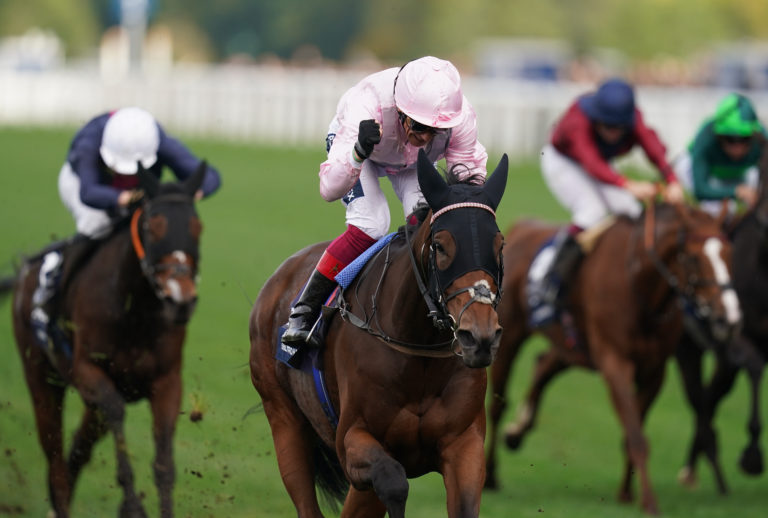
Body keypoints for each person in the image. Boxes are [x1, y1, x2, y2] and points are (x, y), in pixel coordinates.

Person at [281, 56, 489, 350]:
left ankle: (434, 309)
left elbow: (468, 175)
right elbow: (329, 189)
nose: (426, 137)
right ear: (401, 111)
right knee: (371, 224)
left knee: (427, 226)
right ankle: (304, 311)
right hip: (362, 154)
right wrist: (357, 152)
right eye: (419, 126)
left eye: (435, 130)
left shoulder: (460, 118)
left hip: (412, 165)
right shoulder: (366, 106)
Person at [30, 107, 222, 346]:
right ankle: (51, 280)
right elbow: (88, 192)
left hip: (135, 194)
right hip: (80, 185)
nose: (126, 173)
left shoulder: (157, 139)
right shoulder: (88, 141)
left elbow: (212, 177)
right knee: (97, 224)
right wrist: (122, 198)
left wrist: (192, 193)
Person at [529, 78, 684, 328]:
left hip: (599, 164)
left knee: (633, 211)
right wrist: (628, 185)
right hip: (563, 161)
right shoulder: (576, 120)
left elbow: (652, 146)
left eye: (618, 127)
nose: (612, 131)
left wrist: (672, 180)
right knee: (592, 212)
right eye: (605, 125)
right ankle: (546, 278)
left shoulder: (634, 118)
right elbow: (590, 162)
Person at [673, 93, 766, 217]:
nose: (737, 148)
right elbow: (700, 191)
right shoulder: (705, 139)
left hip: (740, 174)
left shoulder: (763, 140)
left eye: (744, 139)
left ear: (754, 134)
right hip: (705, 175)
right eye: (730, 139)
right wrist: (736, 191)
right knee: (718, 211)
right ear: (718, 135)